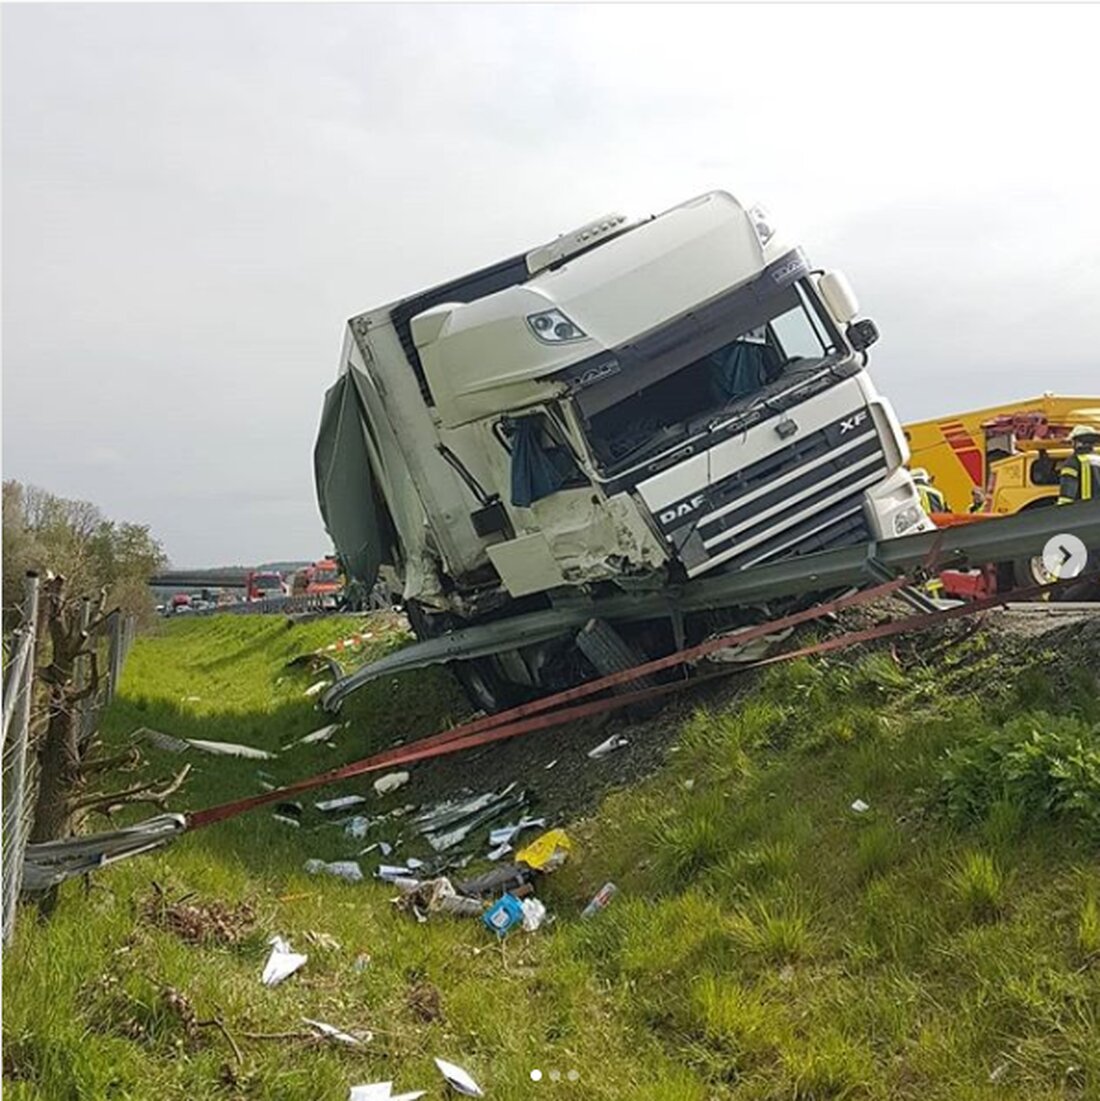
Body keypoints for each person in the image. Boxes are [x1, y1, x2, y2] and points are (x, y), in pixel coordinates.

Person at [1056, 425, 1100, 505]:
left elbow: (1067, 494)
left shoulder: (1073, 462)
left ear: (1076, 442)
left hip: (1082, 512)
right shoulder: (1098, 460)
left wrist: (1062, 510)